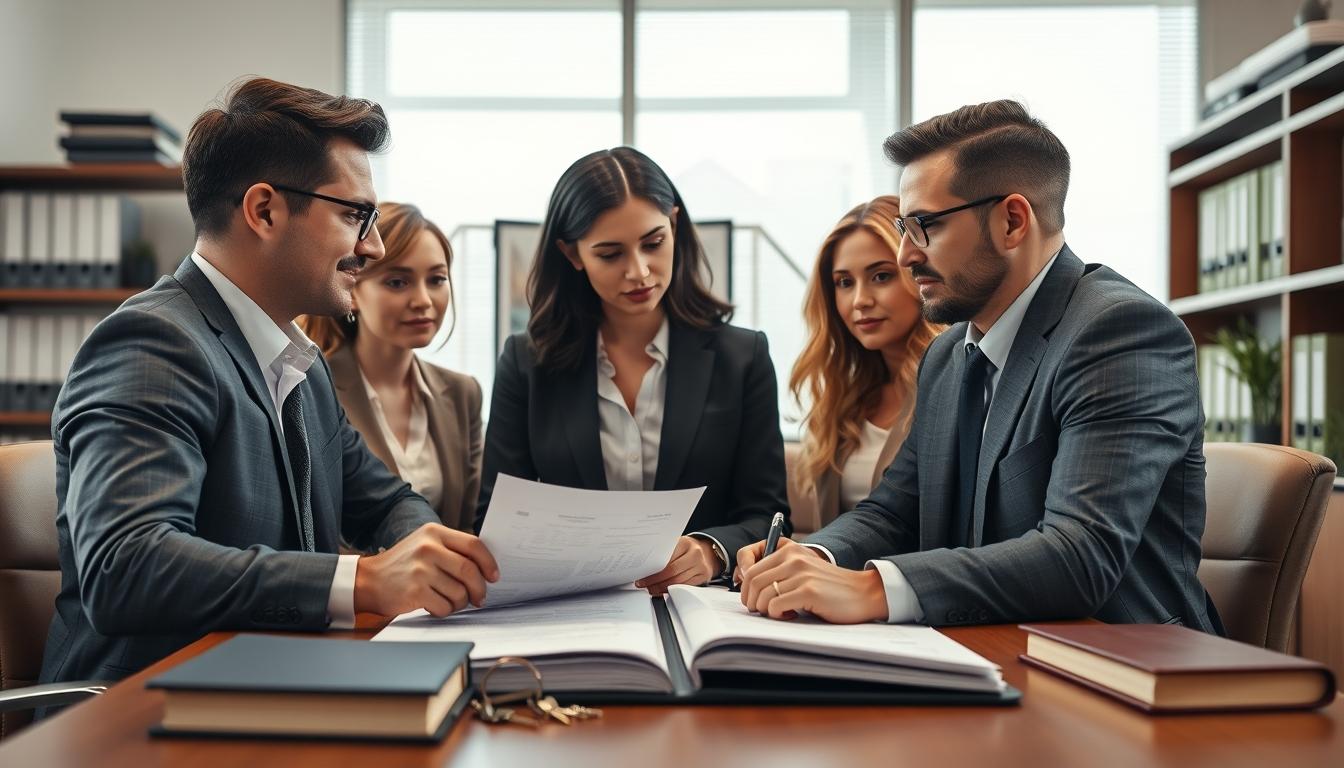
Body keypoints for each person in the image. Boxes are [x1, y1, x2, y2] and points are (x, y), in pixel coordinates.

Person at [39, 77, 499, 689]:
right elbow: (127, 565)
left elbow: (385, 501)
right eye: (356, 215)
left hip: (268, 688)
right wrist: (365, 580)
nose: (374, 244)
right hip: (143, 717)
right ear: (264, 210)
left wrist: (434, 555)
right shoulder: (154, 343)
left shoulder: (297, 368)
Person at [737, 100, 1221, 634]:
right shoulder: (948, 354)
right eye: (904, 226)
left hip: (1123, 671)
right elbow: (895, 511)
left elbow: (1080, 556)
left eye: (925, 226)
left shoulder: (1121, 332)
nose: (905, 255)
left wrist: (873, 587)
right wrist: (816, 560)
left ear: (1012, 221)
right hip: (987, 649)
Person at [477, 146, 790, 594]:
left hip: (702, 607)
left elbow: (769, 514)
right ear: (572, 254)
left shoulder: (744, 357)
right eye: (610, 254)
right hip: (573, 606)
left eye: (653, 243)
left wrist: (709, 550)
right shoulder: (526, 363)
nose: (639, 272)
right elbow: (496, 521)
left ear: (675, 227)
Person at [300, 202, 482, 533]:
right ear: (353, 288)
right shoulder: (310, 387)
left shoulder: (462, 392)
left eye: (437, 279)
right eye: (398, 282)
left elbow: (470, 524)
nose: (424, 300)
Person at [789, 195, 942, 532]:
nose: (860, 301)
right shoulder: (845, 399)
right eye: (845, 283)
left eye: (881, 276)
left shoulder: (953, 387)